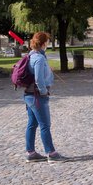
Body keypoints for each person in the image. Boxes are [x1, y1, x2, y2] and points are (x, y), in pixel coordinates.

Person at [23, 32, 65, 163]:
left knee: (32, 123)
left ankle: (30, 152)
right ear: (43, 43)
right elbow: (38, 79)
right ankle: (51, 153)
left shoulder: (32, 55)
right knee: (45, 125)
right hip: (37, 96)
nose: (47, 44)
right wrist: (43, 92)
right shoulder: (39, 58)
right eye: (47, 41)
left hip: (29, 95)